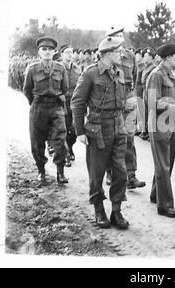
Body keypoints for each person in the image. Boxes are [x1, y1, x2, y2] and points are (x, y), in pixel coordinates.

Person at [71, 35, 129, 229]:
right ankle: (98, 210)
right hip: (98, 129)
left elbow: (123, 100)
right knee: (97, 173)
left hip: (118, 127)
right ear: (107, 54)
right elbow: (77, 103)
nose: (121, 54)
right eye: (118, 52)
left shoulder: (119, 73)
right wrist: (80, 131)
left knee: (121, 172)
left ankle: (116, 210)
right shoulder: (90, 74)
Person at [146, 43, 175, 218]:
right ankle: (165, 205)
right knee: (163, 165)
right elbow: (153, 102)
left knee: (167, 163)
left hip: (172, 124)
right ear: (168, 57)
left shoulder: (173, 75)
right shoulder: (156, 75)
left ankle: (156, 194)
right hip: (160, 124)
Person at [23, 36, 69, 185]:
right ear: (39, 52)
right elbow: (27, 90)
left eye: (50, 49)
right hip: (38, 108)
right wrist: (36, 103)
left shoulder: (60, 68)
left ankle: (60, 173)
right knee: (37, 142)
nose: (47, 52)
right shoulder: (32, 69)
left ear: (55, 51)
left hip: (56, 107)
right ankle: (41, 172)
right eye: (44, 49)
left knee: (60, 141)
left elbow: (65, 89)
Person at [105, 26, 146, 190]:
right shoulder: (105, 56)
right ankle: (110, 172)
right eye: (115, 36)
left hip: (127, 101)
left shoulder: (130, 56)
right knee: (112, 138)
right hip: (112, 102)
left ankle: (131, 175)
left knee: (129, 138)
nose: (119, 39)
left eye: (121, 36)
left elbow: (134, 78)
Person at [60, 44, 82, 167]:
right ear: (62, 54)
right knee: (64, 129)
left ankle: (70, 147)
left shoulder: (78, 69)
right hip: (62, 103)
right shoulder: (58, 68)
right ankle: (66, 155)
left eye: (71, 52)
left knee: (74, 131)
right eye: (67, 52)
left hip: (75, 103)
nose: (70, 55)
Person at [140, 47, 156, 141]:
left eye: (148, 56)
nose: (145, 58)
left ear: (152, 58)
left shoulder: (153, 68)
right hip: (144, 92)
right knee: (145, 113)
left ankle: (152, 134)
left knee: (151, 113)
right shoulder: (144, 68)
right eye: (144, 56)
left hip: (151, 92)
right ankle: (146, 131)